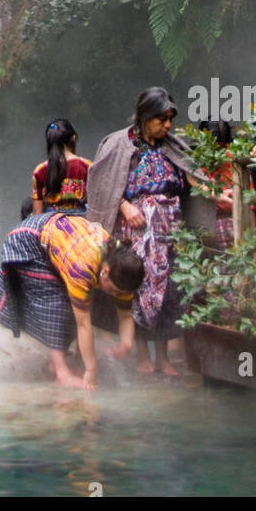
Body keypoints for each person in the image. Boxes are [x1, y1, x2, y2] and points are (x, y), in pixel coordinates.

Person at [86, 87, 210, 377]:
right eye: (161, 119)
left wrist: (220, 194)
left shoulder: (172, 145)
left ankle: (163, 357)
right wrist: (125, 206)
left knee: (168, 291)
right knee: (139, 288)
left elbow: (196, 180)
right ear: (145, 117)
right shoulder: (119, 144)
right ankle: (142, 355)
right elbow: (101, 186)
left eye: (170, 119)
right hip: (136, 229)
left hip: (169, 228)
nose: (167, 125)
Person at [0, 211, 144, 389]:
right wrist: (91, 371)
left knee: (80, 303)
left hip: (58, 238)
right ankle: (61, 371)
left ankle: (69, 359)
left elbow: (125, 314)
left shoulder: (122, 270)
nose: (116, 295)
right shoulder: (82, 267)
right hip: (28, 239)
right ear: (105, 272)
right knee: (57, 304)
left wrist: (126, 344)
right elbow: (83, 324)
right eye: (114, 290)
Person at [31, 118, 92, 214]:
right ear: (73, 138)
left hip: (50, 223)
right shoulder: (87, 166)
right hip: (80, 222)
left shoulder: (40, 170)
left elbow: (37, 213)